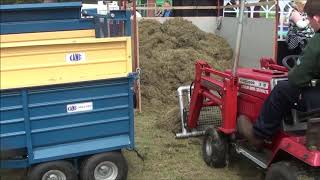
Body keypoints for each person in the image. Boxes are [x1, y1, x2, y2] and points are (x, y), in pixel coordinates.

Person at [238, 0, 320, 149]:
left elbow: (297, 78)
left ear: (316, 18)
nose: (308, 22)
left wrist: (294, 73)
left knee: (282, 89)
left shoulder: (316, 42)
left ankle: (259, 134)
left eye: (308, 18)